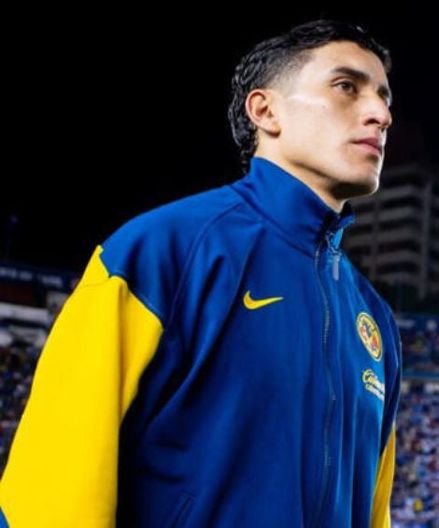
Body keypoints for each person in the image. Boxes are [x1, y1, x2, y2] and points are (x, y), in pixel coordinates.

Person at [0, 19, 401, 527]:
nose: (381, 114)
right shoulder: (159, 252)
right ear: (266, 111)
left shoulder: (376, 323)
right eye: (347, 87)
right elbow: (50, 492)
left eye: (384, 97)